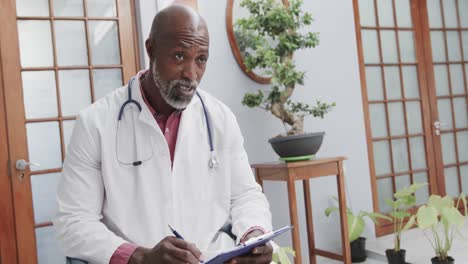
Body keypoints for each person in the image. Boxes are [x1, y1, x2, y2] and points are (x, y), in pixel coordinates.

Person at [54, 4, 273, 264]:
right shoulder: (95, 123)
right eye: (179, 56)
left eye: (201, 59)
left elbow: (245, 195)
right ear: (151, 50)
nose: (191, 74)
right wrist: (140, 257)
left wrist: (255, 234)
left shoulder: (220, 118)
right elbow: (74, 222)